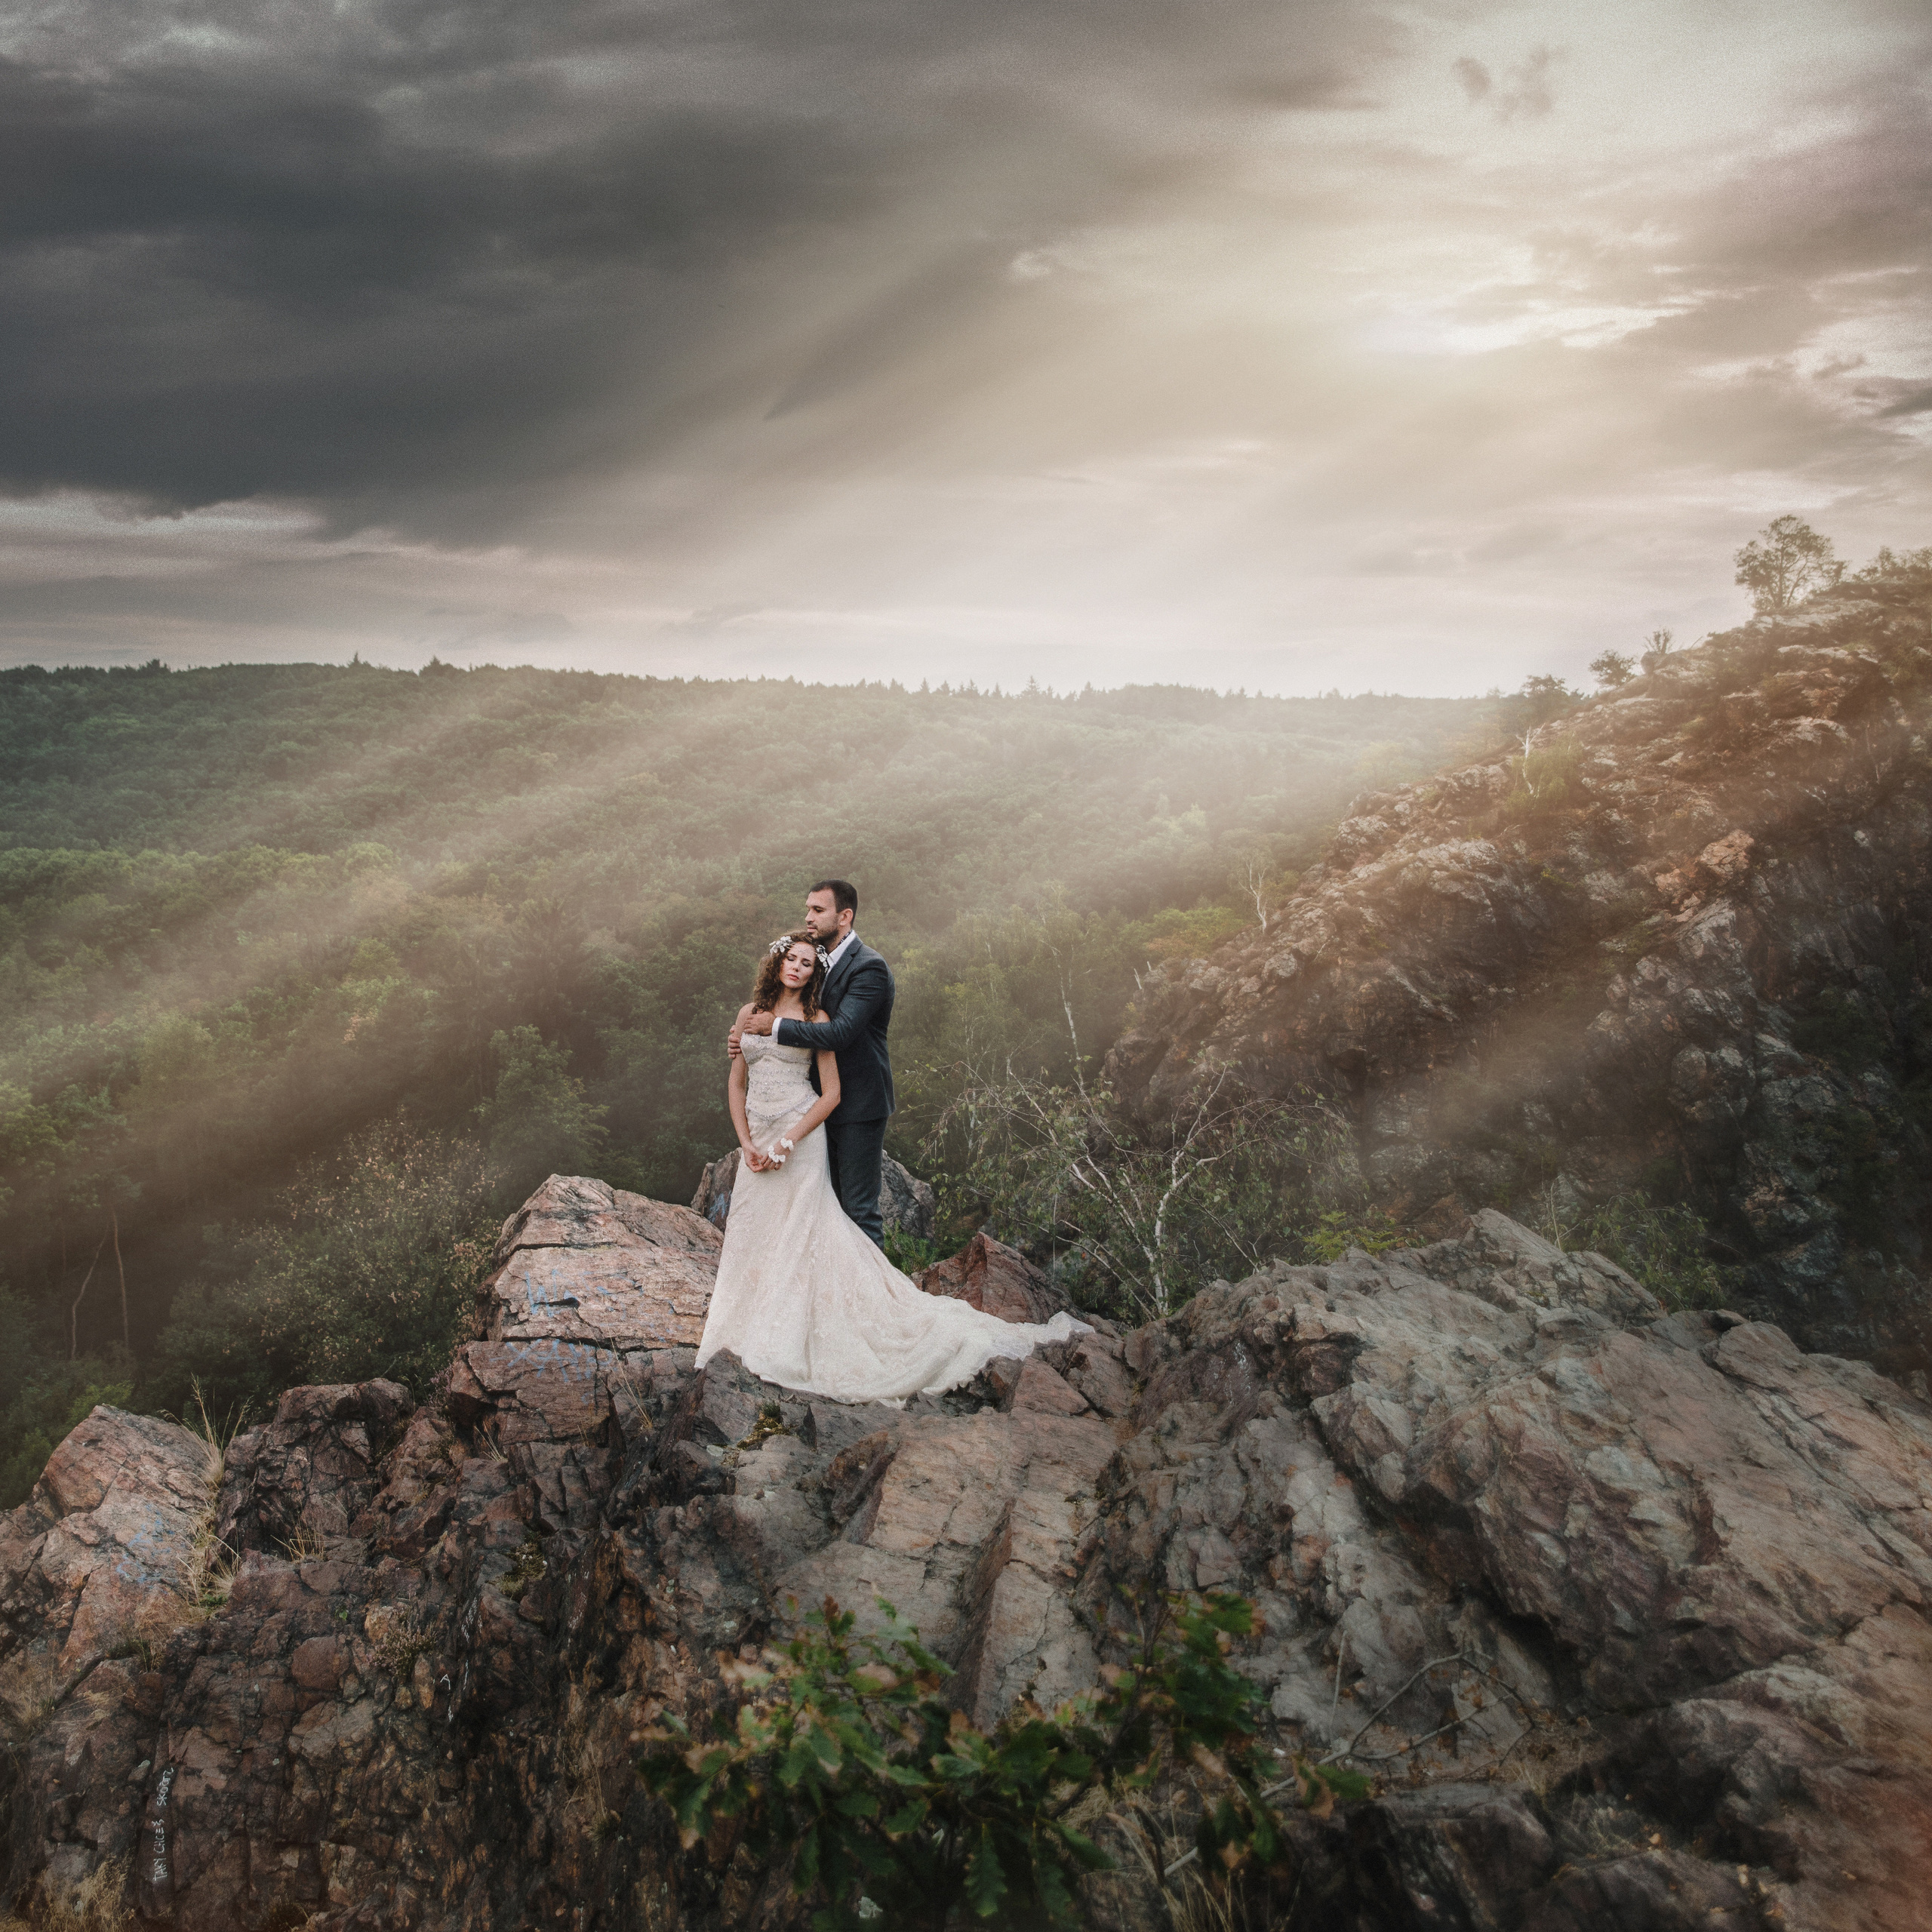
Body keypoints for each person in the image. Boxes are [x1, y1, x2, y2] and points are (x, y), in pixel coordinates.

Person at [698, 933, 1088, 1402]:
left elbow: (831, 1094)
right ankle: (740, 1332)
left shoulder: (816, 1018)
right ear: (777, 962)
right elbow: (736, 1083)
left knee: (801, 1234)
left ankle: (794, 1339)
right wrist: (745, 1144)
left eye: (806, 962)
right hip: (756, 1135)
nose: (797, 967)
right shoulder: (748, 1014)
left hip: (798, 1137)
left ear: (814, 972)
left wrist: (788, 1140)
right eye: (791, 959)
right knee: (753, 1233)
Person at [730, 878, 894, 1247]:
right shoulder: (817, 963)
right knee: (823, 1208)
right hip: (807, 1104)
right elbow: (790, 1008)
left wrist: (773, 1029)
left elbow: (840, 1033)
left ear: (844, 917)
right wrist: (746, 1037)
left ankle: (867, 1300)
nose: (808, 917)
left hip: (857, 1105)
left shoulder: (870, 968)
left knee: (857, 1209)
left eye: (818, 911)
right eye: (808, 909)